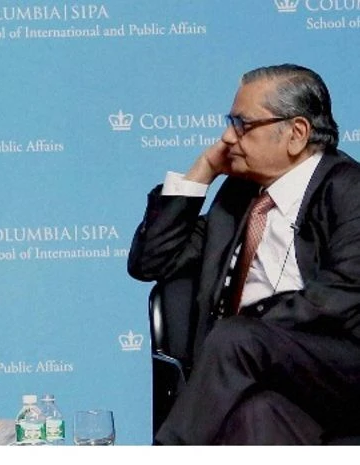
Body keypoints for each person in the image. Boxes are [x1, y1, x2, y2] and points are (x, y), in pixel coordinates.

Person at [128, 64, 360, 445]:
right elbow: (149, 262)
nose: (227, 136)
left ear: (296, 133)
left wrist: (248, 332)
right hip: (256, 376)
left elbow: (337, 300)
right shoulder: (237, 199)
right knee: (256, 413)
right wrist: (200, 173)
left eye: (242, 124)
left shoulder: (349, 190)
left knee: (236, 337)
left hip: (337, 370)